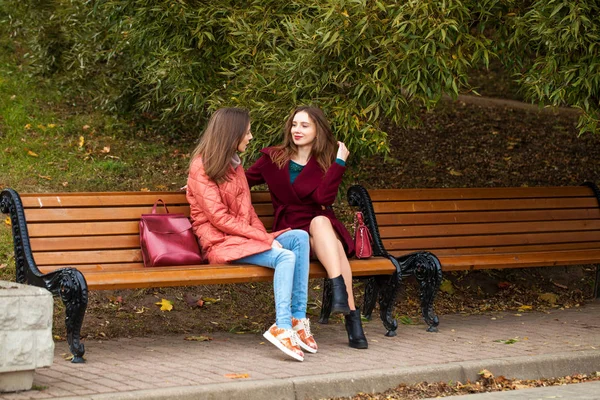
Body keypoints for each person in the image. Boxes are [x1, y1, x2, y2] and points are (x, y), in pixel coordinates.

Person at [186, 108, 317, 361]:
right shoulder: (201, 167)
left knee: (299, 238)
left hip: (241, 240)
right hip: (220, 244)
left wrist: (263, 236)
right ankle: (281, 326)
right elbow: (219, 219)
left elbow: (249, 212)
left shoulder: (234, 166)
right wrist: (266, 240)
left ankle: (297, 318)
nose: (251, 137)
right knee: (285, 257)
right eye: (247, 132)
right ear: (232, 135)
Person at [246, 106, 368, 349]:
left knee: (321, 222)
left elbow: (323, 199)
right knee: (334, 247)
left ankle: (340, 294)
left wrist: (339, 163)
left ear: (317, 130)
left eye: (304, 125)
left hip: (319, 226)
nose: (297, 130)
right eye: (294, 124)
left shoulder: (325, 162)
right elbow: (241, 180)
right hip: (293, 232)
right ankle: (349, 312)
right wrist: (204, 180)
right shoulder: (274, 158)